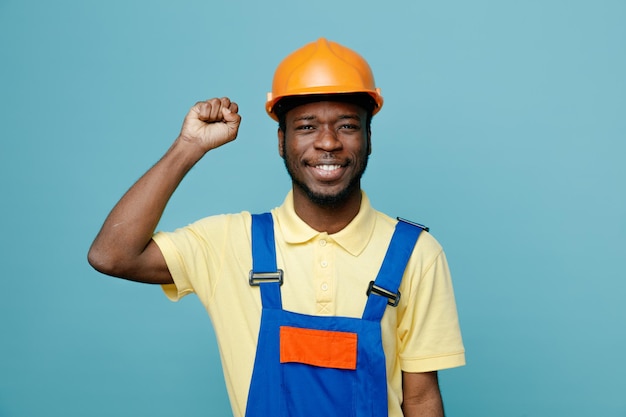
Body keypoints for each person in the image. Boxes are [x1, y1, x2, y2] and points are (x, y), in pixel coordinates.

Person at [88, 38, 465, 417]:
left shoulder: (414, 253)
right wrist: (188, 146)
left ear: (369, 138)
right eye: (307, 126)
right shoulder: (230, 244)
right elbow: (112, 255)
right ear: (282, 141)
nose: (328, 142)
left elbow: (419, 398)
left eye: (347, 125)